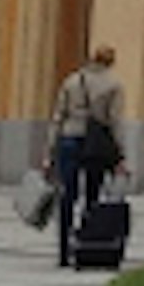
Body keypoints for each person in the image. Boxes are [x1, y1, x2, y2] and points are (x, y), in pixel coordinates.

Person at [49, 44, 128, 269]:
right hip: (96, 145)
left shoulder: (72, 81)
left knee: (67, 196)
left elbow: (58, 117)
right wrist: (121, 155)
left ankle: (63, 251)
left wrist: (48, 153)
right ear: (111, 61)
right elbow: (115, 122)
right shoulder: (114, 85)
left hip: (69, 139)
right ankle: (87, 243)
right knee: (92, 197)